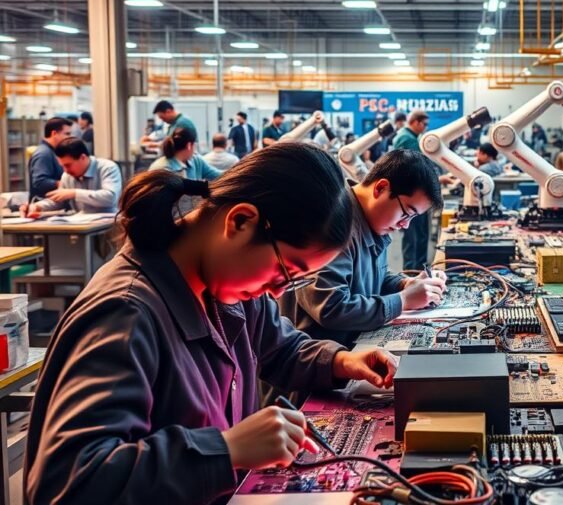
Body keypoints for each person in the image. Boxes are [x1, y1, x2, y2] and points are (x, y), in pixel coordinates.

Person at [24, 143, 398, 505]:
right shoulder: (124, 314)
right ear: (240, 221)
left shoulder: (228, 290)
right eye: (287, 271)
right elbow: (72, 482)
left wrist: (341, 361)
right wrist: (226, 450)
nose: (277, 290)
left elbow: (280, 348)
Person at [278, 150, 448, 352]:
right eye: (406, 214)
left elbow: (372, 280)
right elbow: (331, 307)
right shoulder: (332, 223)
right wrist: (403, 300)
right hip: (315, 370)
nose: (405, 225)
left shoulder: (372, 221)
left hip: (349, 353)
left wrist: (406, 284)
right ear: (381, 188)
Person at [21, 138, 122, 217]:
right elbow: (59, 201)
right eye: (62, 166)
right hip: (81, 226)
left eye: (68, 165)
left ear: (83, 157)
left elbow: (111, 197)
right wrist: (37, 206)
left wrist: (74, 193)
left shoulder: (107, 168)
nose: (65, 170)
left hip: (108, 226)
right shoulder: (67, 176)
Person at [388, 110, 433, 270]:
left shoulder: (410, 137)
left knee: (419, 234)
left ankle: (418, 269)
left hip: (415, 193)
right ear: (415, 122)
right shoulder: (407, 139)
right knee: (413, 236)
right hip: (411, 194)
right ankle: (411, 272)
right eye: (424, 124)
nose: (425, 128)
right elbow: (416, 168)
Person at [150, 126, 223, 181]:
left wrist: (234, 172)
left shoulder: (196, 161)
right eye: (194, 145)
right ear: (189, 145)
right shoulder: (162, 169)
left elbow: (218, 175)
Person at [29, 117, 73, 202]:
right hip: (44, 207)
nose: (69, 138)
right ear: (54, 133)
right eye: (67, 134)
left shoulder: (51, 152)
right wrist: (65, 184)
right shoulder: (43, 153)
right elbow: (40, 182)